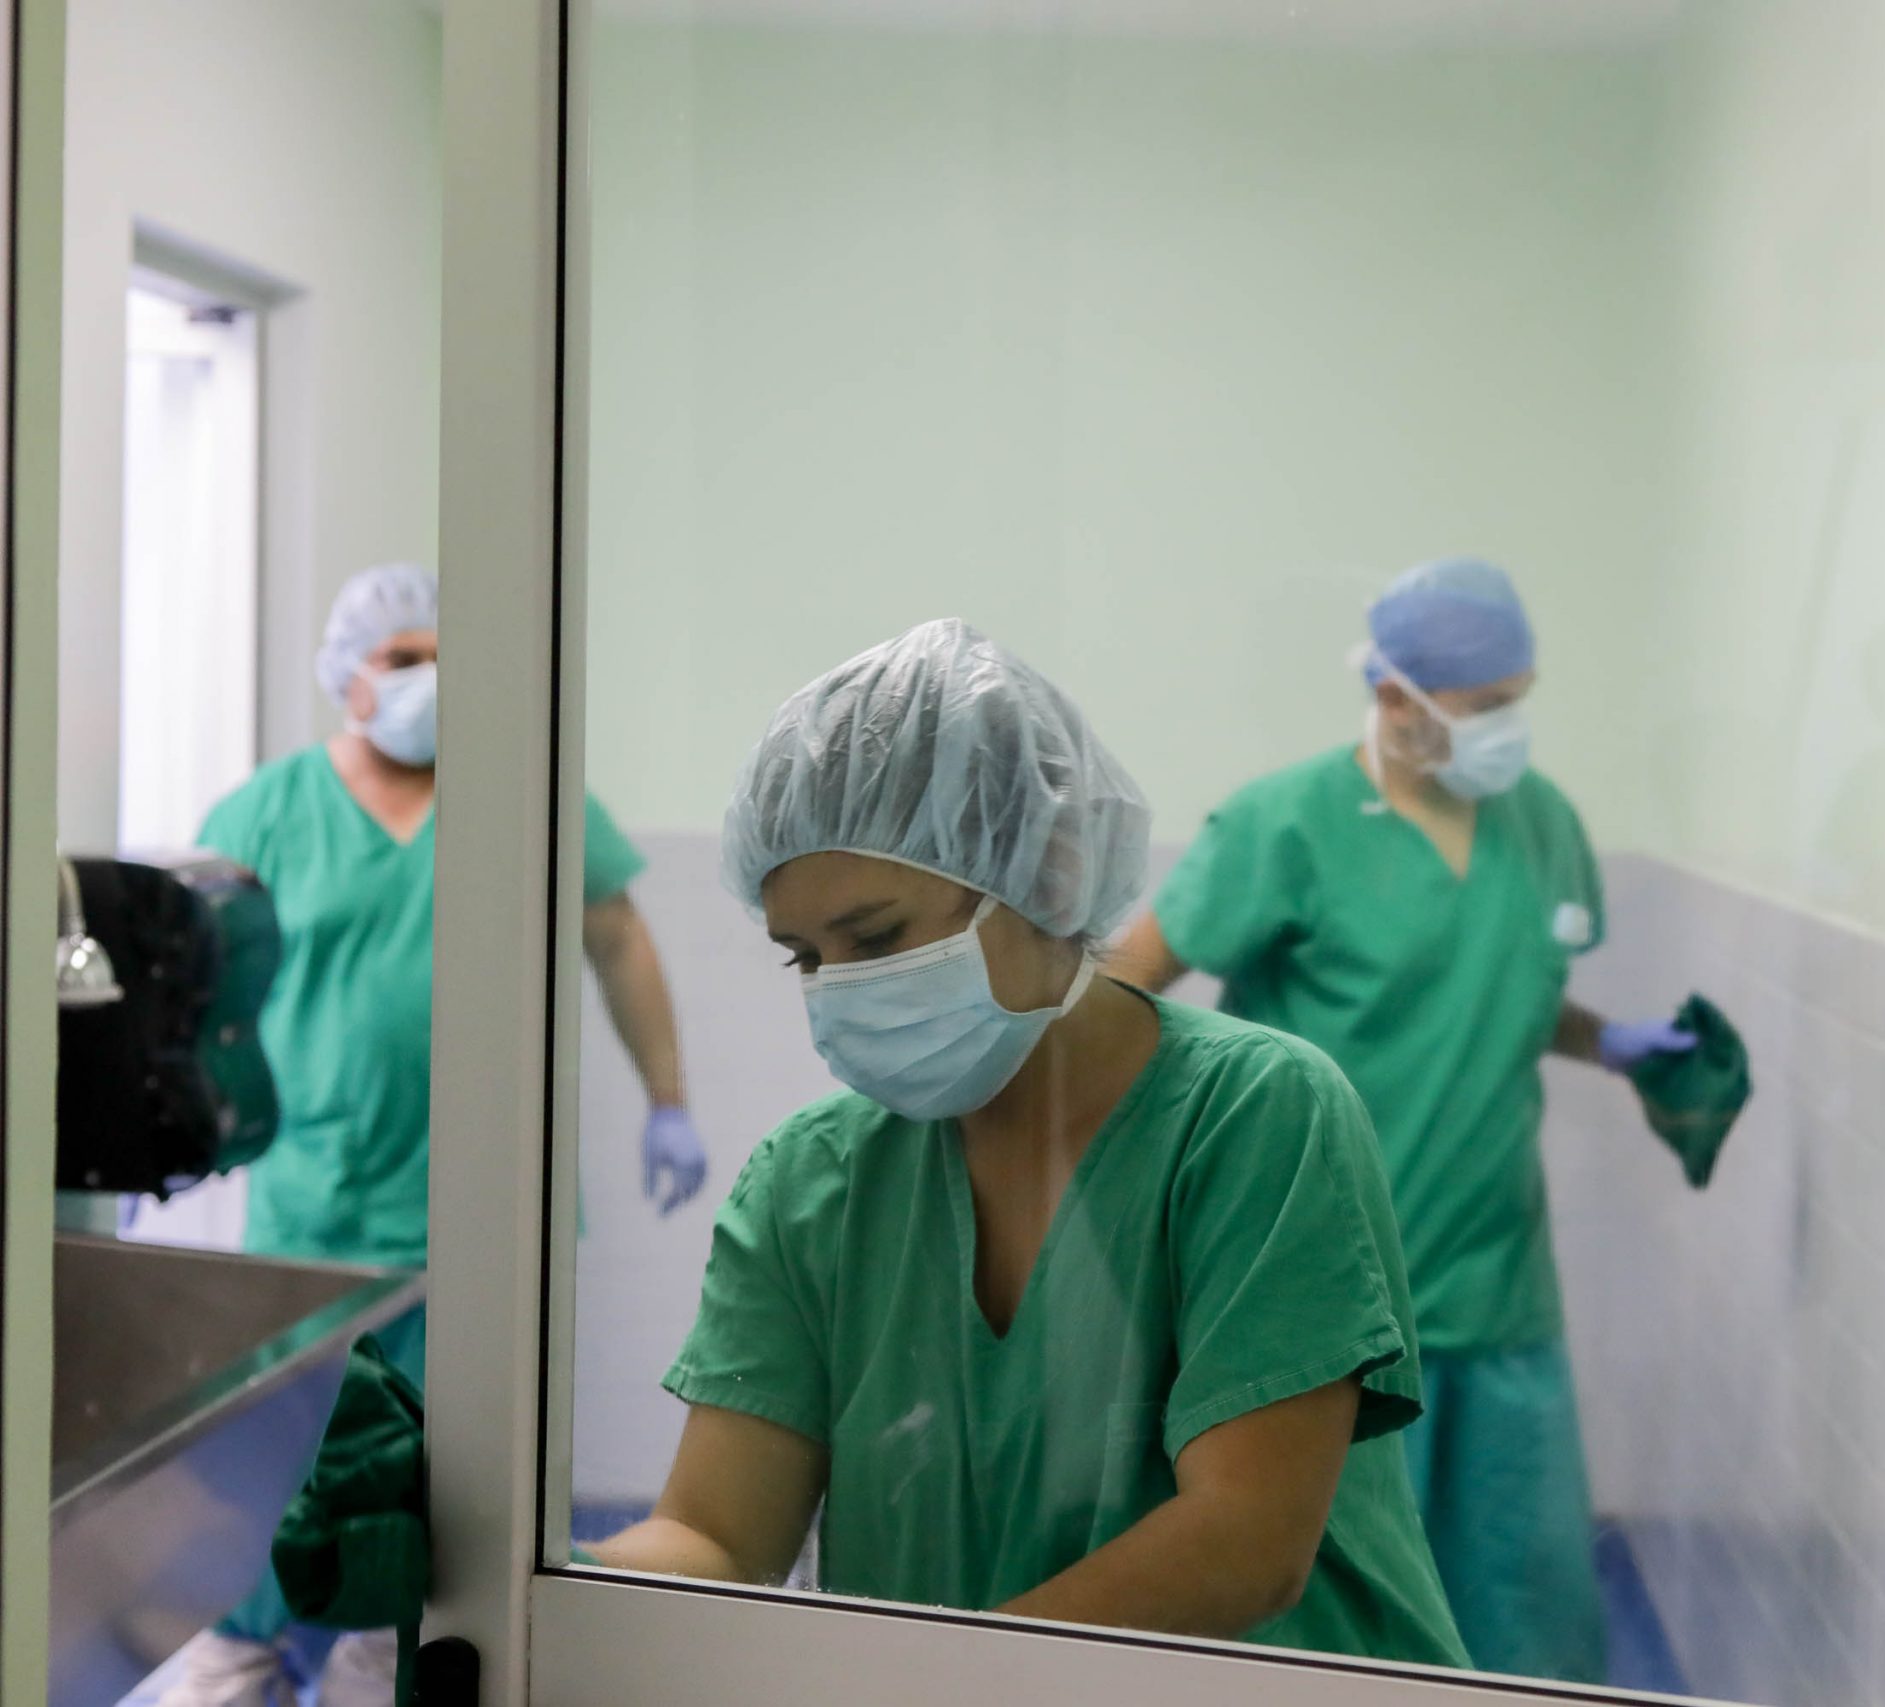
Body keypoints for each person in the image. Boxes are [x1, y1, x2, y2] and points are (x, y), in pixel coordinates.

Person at [589, 619, 1467, 1667]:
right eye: (804, 958)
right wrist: (543, 1571)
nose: (842, 988)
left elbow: (1244, 1543)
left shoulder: (1250, 1115)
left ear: (1047, 874)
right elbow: (719, 1535)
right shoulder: (811, 1184)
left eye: (877, 938)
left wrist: (929, 1682)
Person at [1110, 557, 1698, 1684]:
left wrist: (1609, 1043)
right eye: (1486, 706)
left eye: (1520, 699)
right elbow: (1121, 988)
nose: (1509, 727)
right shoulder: (1286, 823)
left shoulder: (1541, 820)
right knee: (1332, 1620)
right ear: (1395, 697)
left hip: (1493, 1286)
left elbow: (1500, 989)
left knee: (1516, 1610)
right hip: (1319, 1303)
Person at [161, 563, 709, 1707]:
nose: (432, 682)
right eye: (404, 659)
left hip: (487, 1222)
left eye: (448, 660)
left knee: (452, 1496)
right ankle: (237, 1658)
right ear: (345, 676)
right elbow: (194, 982)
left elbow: (617, 939)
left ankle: (387, 1660)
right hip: (318, 1209)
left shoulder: (525, 789)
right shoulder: (267, 815)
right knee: (283, 1470)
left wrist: (669, 1099)